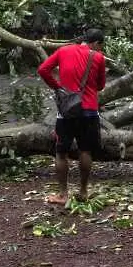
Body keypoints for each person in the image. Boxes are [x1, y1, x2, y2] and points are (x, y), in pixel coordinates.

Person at [38, 28, 107, 204]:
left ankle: (63, 194)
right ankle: (83, 191)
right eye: (100, 46)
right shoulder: (98, 58)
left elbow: (43, 69)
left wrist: (57, 87)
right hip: (89, 110)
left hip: (66, 111)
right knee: (85, 150)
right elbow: (100, 86)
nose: (100, 50)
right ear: (96, 43)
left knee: (61, 153)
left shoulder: (64, 50)